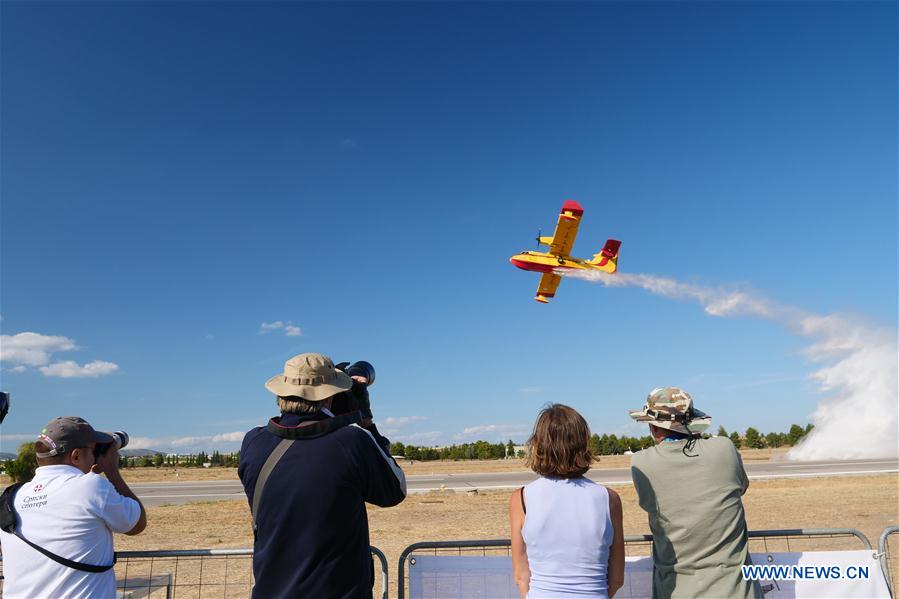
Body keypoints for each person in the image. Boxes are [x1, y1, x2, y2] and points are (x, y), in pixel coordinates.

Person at [238, 352, 406, 598]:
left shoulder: (253, 442)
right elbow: (395, 491)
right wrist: (365, 421)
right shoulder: (352, 441)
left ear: (281, 394)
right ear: (329, 397)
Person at [629, 387, 762, 599]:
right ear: (692, 423)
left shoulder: (641, 462)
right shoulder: (724, 448)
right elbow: (741, 487)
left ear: (654, 428)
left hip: (676, 590)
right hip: (736, 590)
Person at [0, 416, 147, 599]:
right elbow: (137, 524)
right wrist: (112, 470)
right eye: (93, 450)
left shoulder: (12, 496)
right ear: (76, 455)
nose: (95, 456)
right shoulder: (91, 486)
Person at [509, 404, 625, 599]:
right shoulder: (609, 499)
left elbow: (521, 576)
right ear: (583, 443)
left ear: (538, 444)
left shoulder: (521, 499)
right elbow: (616, 579)